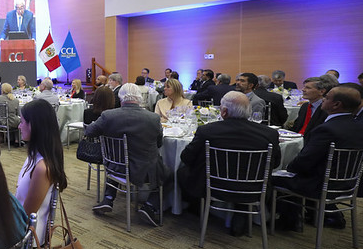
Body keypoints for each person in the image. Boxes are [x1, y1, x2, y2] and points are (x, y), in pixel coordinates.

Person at [178, 92, 281, 230]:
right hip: (254, 189)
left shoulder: (207, 131)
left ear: (224, 111)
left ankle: (197, 207)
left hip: (213, 187)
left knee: (182, 172)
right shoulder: (269, 134)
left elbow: (186, 157)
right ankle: (241, 214)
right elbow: (275, 163)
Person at [273, 86, 363, 231]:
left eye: (326, 97)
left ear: (336, 104)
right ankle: (318, 214)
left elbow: (303, 162)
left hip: (320, 184)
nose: (323, 100)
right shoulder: (358, 126)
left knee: (271, 176)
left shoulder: (327, 129)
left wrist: (287, 168)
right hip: (349, 183)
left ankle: (289, 220)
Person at [86, 84, 169, 226]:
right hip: (145, 171)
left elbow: (89, 132)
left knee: (120, 158)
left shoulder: (108, 116)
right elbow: (159, 143)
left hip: (115, 168)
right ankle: (149, 206)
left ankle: (108, 198)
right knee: (169, 173)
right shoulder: (153, 118)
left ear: (120, 97)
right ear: (139, 98)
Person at [16, 100, 67, 243]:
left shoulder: (42, 168)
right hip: (21, 226)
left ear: (33, 125)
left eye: (22, 122)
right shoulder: (35, 156)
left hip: (27, 237)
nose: (19, 126)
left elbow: (26, 215)